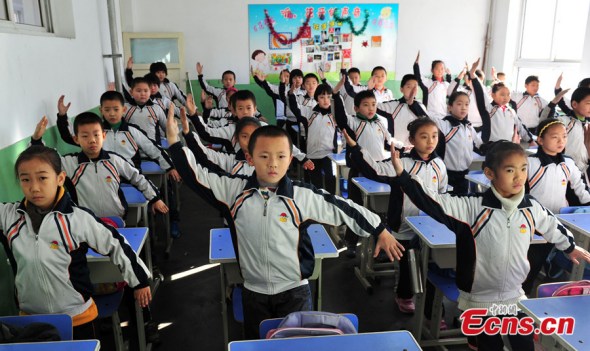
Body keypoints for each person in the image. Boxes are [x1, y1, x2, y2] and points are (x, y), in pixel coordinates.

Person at [166, 112, 405, 340]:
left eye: (281, 156)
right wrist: (174, 142)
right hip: (254, 291)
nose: (273, 163)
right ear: (249, 158)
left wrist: (378, 229)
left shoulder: (301, 196)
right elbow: (196, 176)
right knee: (258, 345)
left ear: (290, 159)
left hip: (294, 292)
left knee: (294, 345)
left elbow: (342, 207)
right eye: (264, 156)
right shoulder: (233, 192)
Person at [390, 140, 590, 351]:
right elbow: (431, 200)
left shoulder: (531, 206)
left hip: (514, 295)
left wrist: (570, 247)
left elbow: (552, 225)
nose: (519, 176)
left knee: (525, 345)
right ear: (489, 173)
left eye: (523, 169)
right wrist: (404, 176)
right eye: (510, 170)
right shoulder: (471, 207)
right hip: (479, 299)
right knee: (488, 347)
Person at [0, 145, 151, 340]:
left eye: (42, 178)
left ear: (60, 179)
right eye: (25, 179)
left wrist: (139, 281)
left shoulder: (77, 218)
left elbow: (115, 243)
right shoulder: (9, 217)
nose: (34, 187)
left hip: (78, 318)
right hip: (32, 321)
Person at [345, 118, 447, 314]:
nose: (430, 141)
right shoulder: (402, 163)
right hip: (403, 224)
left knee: (429, 265)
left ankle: (432, 310)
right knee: (408, 264)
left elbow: (442, 193)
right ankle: (404, 295)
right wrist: (355, 148)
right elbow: (375, 169)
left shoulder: (439, 165)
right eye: (424, 137)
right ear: (412, 139)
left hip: (430, 225)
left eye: (434, 136)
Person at [32, 114, 168, 219]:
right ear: (76, 139)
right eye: (85, 136)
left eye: (96, 135)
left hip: (116, 220)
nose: (92, 140)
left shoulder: (114, 160)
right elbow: (46, 159)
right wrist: (36, 140)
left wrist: (155, 198)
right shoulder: (70, 163)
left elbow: (137, 178)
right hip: (84, 223)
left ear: (103, 136)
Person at [522, 118, 590, 294]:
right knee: (529, 265)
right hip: (532, 225)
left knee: (552, 261)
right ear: (540, 140)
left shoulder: (568, 163)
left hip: (558, 223)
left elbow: (581, 189)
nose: (561, 141)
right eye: (555, 137)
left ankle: (547, 281)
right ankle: (520, 299)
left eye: (564, 136)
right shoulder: (530, 163)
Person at [55, 92, 180, 182]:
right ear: (101, 110)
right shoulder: (96, 133)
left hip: (129, 178)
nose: (112, 113)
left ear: (123, 109)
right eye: (107, 110)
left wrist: (170, 167)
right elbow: (68, 137)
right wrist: (62, 116)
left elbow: (152, 149)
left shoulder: (132, 131)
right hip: (102, 178)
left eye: (116, 109)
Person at [333, 89, 398, 257]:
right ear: (356, 108)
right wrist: (336, 96)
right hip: (358, 171)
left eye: (374, 105)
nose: (371, 108)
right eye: (366, 105)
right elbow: (340, 119)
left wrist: (401, 149)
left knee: (379, 209)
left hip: (377, 170)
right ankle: (351, 242)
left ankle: (380, 244)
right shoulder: (354, 122)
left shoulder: (379, 123)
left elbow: (386, 143)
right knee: (356, 207)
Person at [288, 83, 338, 194]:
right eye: (322, 97)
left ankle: (332, 203)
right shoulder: (309, 112)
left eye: (328, 97)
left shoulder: (335, 115)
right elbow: (295, 108)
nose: (326, 100)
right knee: (316, 183)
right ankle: (318, 204)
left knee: (331, 180)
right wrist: (291, 93)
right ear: (316, 99)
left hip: (329, 155)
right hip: (313, 154)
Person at [470, 59, 533, 144]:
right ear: (493, 95)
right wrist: (473, 74)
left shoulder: (511, 111)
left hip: (507, 147)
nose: (506, 97)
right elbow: (480, 93)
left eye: (508, 94)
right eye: (502, 94)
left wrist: (531, 140)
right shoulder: (488, 109)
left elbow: (520, 126)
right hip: (491, 147)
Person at [435, 92, 483, 194]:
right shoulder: (444, 125)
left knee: (461, 204)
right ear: (450, 107)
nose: (463, 108)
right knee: (446, 205)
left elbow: (479, 145)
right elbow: (426, 116)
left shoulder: (469, 127)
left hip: (464, 174)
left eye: (466, 104)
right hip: (446, 174)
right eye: (459, 104)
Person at [541, 86, 590, 173]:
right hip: (564, 169)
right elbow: (544, 122)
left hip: (583, 170)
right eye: (588, 103)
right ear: (574, 104)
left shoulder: (588, 125)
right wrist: (554, 101)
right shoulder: (565, 122)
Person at [376, 74, 428, 146]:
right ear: (401, 89)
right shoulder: (393, 105)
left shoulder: (421, 107)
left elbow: (427, 123)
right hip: (398, 150)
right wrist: (370, 89)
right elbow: (372, 106)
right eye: (409, 86)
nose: (412, 90)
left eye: (415, 87)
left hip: (416, 150)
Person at [124, 77, 168, 145]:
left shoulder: (157, 109)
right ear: (131, 92)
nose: (142, 94)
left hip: (154, 150)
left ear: (150, 92)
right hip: (132, 151)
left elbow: (167, 128)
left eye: (146, 91)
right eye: (138, 91)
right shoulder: (124, 109)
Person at [413, 51, 452, 119]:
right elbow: (418, 76)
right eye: (437, 68)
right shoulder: (428, 82)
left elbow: (452, 92)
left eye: (442, 69)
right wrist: (416, 64)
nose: (440, 71)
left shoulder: (446, 84)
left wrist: (449, 75)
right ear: (432, 70)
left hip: (443, 115)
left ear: (445, 70)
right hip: (430, 115)